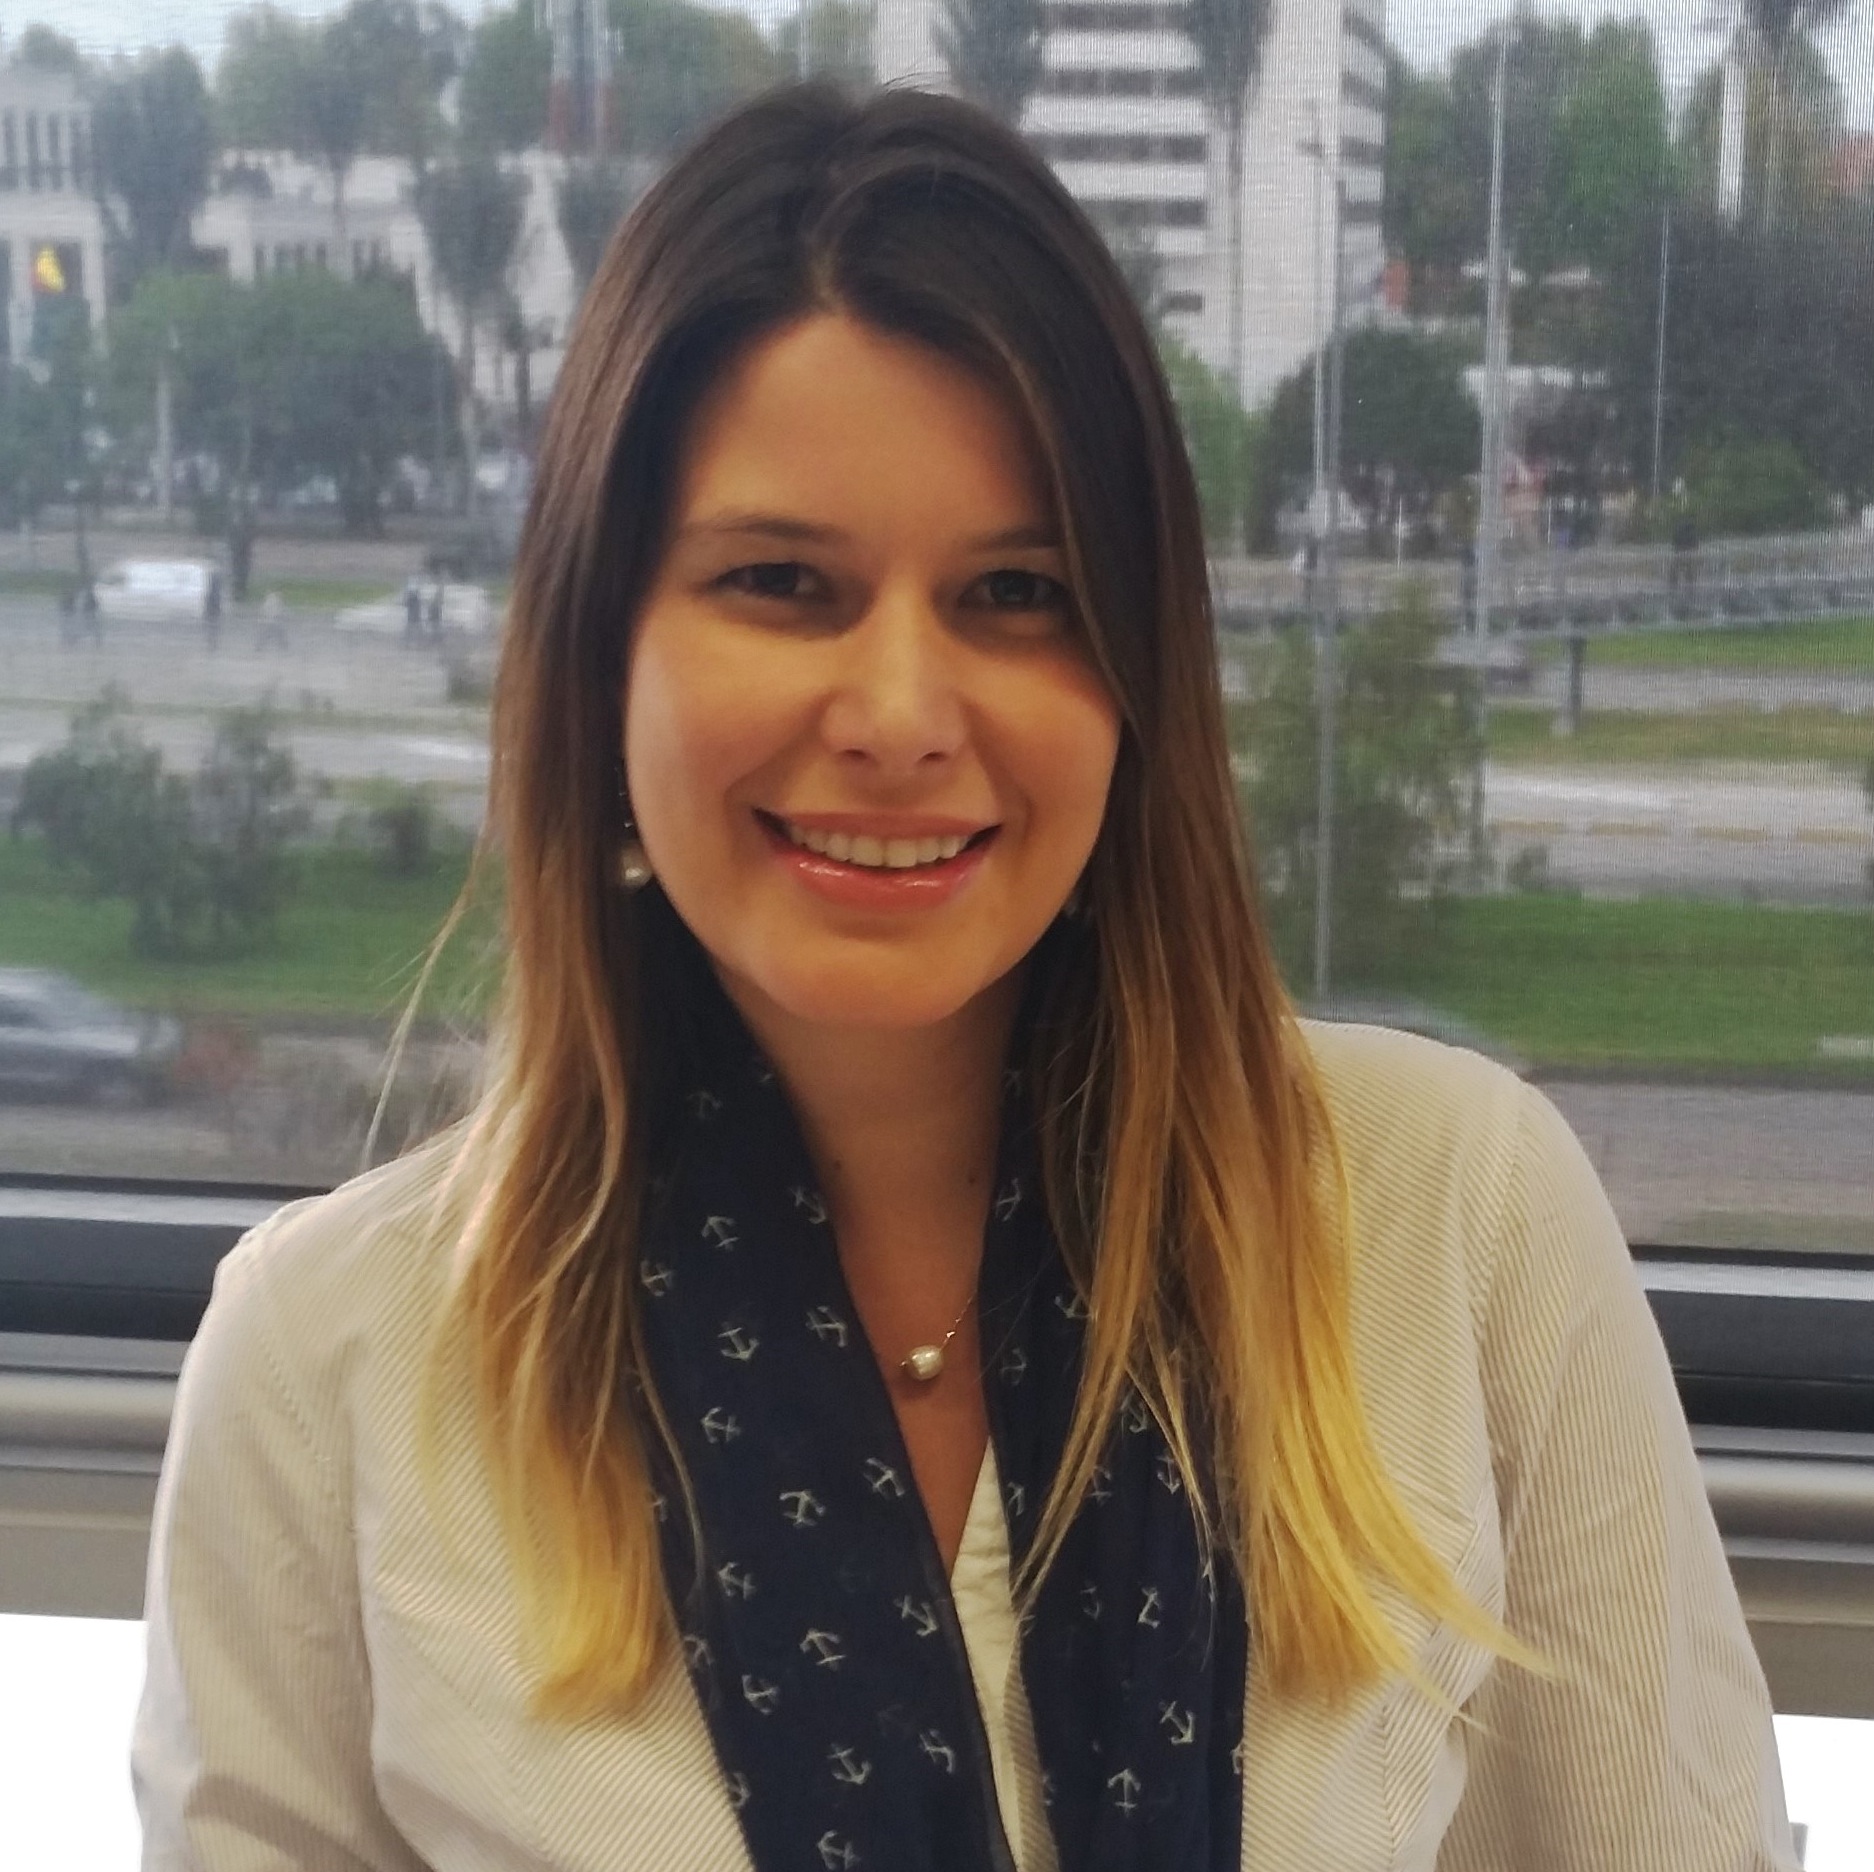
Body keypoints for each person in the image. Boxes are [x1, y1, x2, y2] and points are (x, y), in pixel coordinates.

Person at [133, 85, 1797, 1872]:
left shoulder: (1454, 1214)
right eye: (781, 581)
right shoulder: (323, 1365)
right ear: (599, 651)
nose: (901, 716)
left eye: (1016, 593)